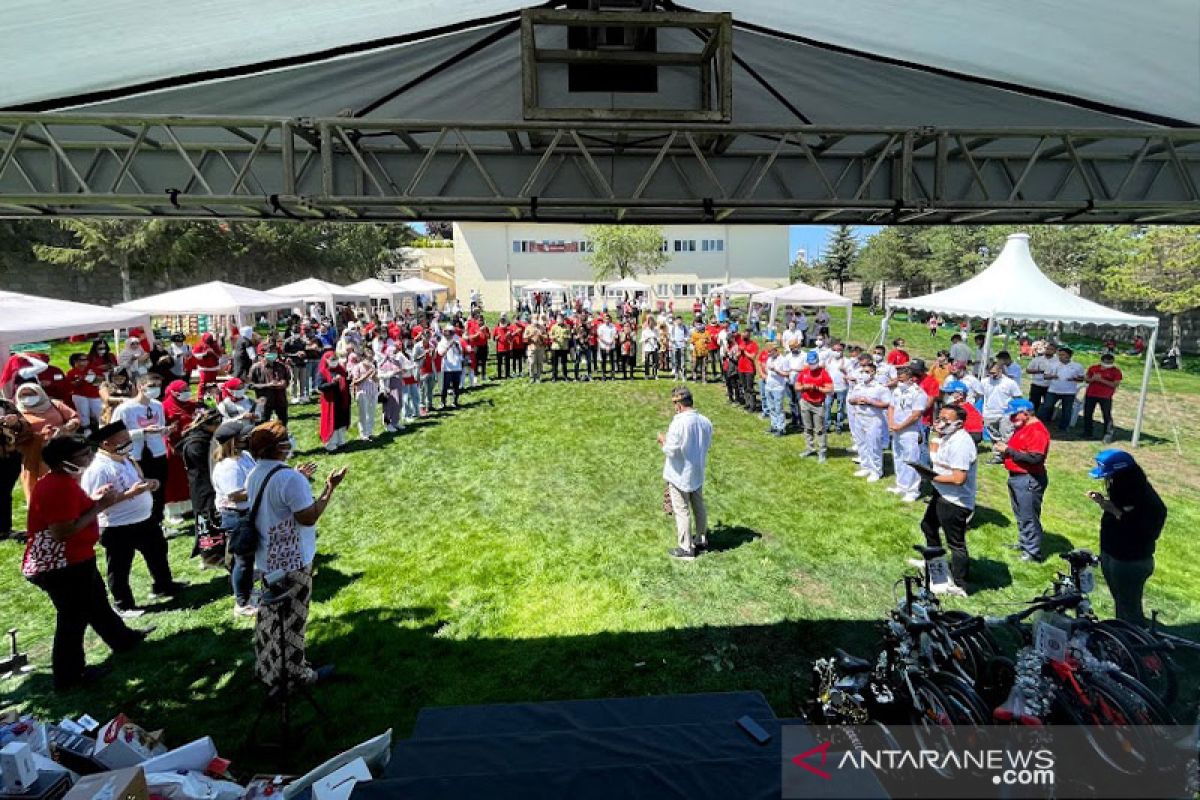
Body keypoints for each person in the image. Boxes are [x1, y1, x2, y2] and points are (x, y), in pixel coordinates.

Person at [21, 434, 148, 690]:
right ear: (64, 462)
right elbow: (62, 531)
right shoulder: (58, 487)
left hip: (76, 560)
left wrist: (94, 501)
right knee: (73, 619)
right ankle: (69, 677)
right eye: (83, 456)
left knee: (96, 602)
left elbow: (76, 511)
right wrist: (99, 506)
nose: (90, 458)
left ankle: (123, 640)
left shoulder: (65, 481)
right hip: (61, 566)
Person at [246, 421, 346, 687]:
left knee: (269, 618)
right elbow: (308, 517)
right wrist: (329, 489)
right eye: (286, 439)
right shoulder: (289, 478)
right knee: (293, 620)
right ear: (278, 447)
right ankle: (296, 674)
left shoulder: (255, 473)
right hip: (293, 561)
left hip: (267, 558)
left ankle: (267, 667)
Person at [82, 421, 181, 615]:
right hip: (117, 526)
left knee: (157, 553)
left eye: (128, 438)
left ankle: (164, 585)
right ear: (106, 444)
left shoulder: (124, 458)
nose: (128, 443)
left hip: (144, 519)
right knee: (119, 567)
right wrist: (129, 494)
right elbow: (94, 504)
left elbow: (136, 481)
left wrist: (148, 484)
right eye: (123, 440)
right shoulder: (98, 469)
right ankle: (123, 604)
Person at [1087, 450, 1167, 626]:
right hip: (1112, 554)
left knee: (1130, 610)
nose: (1106, 481)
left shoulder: (1144, 500)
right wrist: (1104, 503)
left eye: (1109, 476)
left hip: (1129, 561)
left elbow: (1141, 530)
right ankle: (1123, 635)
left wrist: (1115, 511)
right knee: (1121, 604)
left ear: (1123, 474)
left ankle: (1135, 644)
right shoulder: (1122, 489)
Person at [922, 405, 977, 594]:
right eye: (940, 417)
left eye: (946, 419)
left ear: (959, 424)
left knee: (956, 542)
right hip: (942, 492)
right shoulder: (947, 437)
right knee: (928, 526)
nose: (940, 421)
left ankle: (960, 584)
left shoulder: (961, 443)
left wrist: (932, 477)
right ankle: (936, 565)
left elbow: (959, 479)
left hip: (955, 500)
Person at [658, 387, 713, 561]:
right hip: (697, 471)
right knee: (698, 506)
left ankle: (686, 548)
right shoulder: (705, 421)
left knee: (682, 510)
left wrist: (663, 441)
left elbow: (671, 450)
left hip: (679, 473)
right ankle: (701, 540)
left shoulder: (679, 422)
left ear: (679, 405)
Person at [993, 398, 1050, 562]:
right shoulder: (1024, 427)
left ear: (1026, 413)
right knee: (1021, 514)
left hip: (1028, 479)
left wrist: (1008, 451)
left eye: (1013, 416)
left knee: (1029, 516)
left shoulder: (1037, 431)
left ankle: (1032, 553)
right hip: (1018, 477)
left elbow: (1035, 458)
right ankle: (1025, 543)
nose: (1011, 419)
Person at [211, 421, 256, 616]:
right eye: (242, 436)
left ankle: (248, 591)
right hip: (236, 516)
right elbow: (236, 495)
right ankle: (242, 602)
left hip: (247, 513)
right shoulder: (228, 467)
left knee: (248, 558)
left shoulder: (244, 456)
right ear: (233, 441)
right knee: (243, 561)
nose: (247, 439)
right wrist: (262, 488)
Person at [15, 382, 80, 501]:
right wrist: (40, 435)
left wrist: (66, 427)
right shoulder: (17, 413)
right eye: (23, 395)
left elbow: (74, 417)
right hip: (35, 453)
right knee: (40, 484)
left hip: (62, 447)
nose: (27, 398)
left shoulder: (54, 404)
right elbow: (17, 435)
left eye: (31, 394)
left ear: (39, 393)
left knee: (68, 478)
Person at [178, 408, 223, 565]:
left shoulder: (207, 437)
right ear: (209, 425)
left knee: (215, 520)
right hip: (203, 487)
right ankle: (209, 555)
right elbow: (206, 465)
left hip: (209, 484)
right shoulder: (196, 443)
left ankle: (217, 552)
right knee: (207, 520)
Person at [887, 365, 927, 502]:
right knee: (898, 457)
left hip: (910, 431)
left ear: (911, 379)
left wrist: (900, 426)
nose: (899, 382)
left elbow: (916, 415)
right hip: (897, 430)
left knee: (911, 460)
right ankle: (901, 485)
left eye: (902, 380)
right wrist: (892, 423)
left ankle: (912, 490)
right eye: (899, 379)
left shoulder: (918, 393)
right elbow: (891, 407)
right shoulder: (898, 390)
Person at [847, 361, 890, 481]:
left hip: (873, 419)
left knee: (873, 445)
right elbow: (850, 400)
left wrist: (871, 402)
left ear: (873, 373)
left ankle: (876, 470)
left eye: (866, 372)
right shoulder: (859, 386)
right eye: (862, 372)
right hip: (859, 417)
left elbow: (887, 403)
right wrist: (856, 401)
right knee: (861, 444)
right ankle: (865, 466)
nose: (863, 374)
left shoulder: (880, 388)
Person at [796, 351, 833, 461]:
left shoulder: (823, 373)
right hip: (805, 402)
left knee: (819, 429)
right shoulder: (804, 371)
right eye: (810, 363)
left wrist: (817, 388)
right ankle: (810, 448)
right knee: (807, 428)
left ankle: (822, 451)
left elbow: (830, 389)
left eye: (814, 363)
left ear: (817, 361)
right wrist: (804, 387)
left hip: (818, 404)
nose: (812, 365)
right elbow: (797, 386)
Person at [1038, 346, 1084, 432]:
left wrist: (1074, 379)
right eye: (1059, 355)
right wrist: (1052, 376)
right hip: (1053, 390)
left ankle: (1064, 427)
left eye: (1063, 355)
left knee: (1067, 410)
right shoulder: (1053, 364)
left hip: (1069, 392)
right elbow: (1045, 376)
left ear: (1069, 356)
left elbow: (1081, 378)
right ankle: (1040, 423)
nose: (1060, 357)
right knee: (1047, 406)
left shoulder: (1077, 366)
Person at [981, 361, 1022, 455]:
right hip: (989, 413)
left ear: (1000, 370)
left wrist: (1016, 412)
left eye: (994, 373)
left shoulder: (1010, 383)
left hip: (1006, 414)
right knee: (994, 436)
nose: (992, 375)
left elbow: (1018, 398)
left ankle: (1006, 454)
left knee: (1006, 436)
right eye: (989, 373)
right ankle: (998, 455)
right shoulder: (984, 382)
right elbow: (981, 396)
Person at [1083, 352, 1123, 442]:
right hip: (1091, 394)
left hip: (1105, 396)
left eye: (1110, 362)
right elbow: (1086, 379)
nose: (1108, 364)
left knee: (1106, 415)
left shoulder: (1116, 371)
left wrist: (1101, 380)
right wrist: (1093, 379)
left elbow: (1114, 384)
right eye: (1106, 362)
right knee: (1088, 413)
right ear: (1102, 361)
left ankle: (1108, 434)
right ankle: (1087, 432)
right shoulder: (1093, 368)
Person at [247, 344, 291, 425]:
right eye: (270, 352)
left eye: (275, 352)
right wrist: (268, 385)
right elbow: (250, 385)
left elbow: (287, 380)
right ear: (264, 353)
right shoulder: (256, 368)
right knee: (263, 424)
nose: (273, 354)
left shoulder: (281, 366)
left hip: (280, 400)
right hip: (265, 402)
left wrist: (284, 383)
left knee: (283, 424)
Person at [317, 351, 351, 452]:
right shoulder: (322, 372)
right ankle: (331, 443)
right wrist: (332, 383)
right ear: (326, 360)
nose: (334, 361)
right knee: (332, 421)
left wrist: (348, 379)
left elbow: (345, 381)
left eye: (335, 359)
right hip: (330, 401)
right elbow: (320, 386)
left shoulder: (341, 369)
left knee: (341, 421)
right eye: (332, 360)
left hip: (341, 400)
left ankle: (341, 441)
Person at [66, 353, 105, 436]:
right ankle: (86, 429)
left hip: (94, 395)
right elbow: (71, 385)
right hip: (80, 396)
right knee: (83, 413)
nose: (85, 362)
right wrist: (80, 380)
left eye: (86, 359)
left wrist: (94, 377)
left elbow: (101, 379)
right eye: (82, 360)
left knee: (99, 412)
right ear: (75, 361)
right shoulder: (71, 372)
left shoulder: (92, 369)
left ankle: (103, 427)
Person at [760, 343, 789, 436]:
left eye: (770, 352)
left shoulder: (783, 360)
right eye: (768, 352)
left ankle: (781, 428)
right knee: (771, 407)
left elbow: (786, 374)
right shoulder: (769, 359)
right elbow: (768, 371)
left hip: (778, 387)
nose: (768, 354)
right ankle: (774, 425)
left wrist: (776, 370)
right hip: (769, 386)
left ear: (776, 350)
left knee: (778, 408)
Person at [1025, 342, 1057, 413]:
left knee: (1049, 405)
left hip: (1050, 386)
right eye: (1047, 349)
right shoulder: (1037, 359)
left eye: (1051, 349)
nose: (1048, 350)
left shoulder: (1057, 361)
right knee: (1033, 403)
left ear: (1055, 351)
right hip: (1036, 384)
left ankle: (1046, 420)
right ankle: (1031, 418)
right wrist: (1039, 371)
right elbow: (1028, 370)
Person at [549, 316, 571, 382]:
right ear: (556, 320)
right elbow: (550, 335)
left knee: (564, 363)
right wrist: (554, 337)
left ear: (563, 319)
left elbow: (570, 336)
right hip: (555, 347)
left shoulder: (567, 326)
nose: (560, 320)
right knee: (554, 364)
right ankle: (554, 377)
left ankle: (565, 376)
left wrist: (566, 336)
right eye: (559, 319)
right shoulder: (553, 327)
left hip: (564, 347)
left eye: (561, 319)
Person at [596, 315, 617, 381]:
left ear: (610, 319)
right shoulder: (601, 327)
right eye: (606, 319)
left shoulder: (613, 326)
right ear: (604, 319)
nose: (607, 320)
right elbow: (600, 337)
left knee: (612, 361)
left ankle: (612, 375)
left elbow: (614, 336)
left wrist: (610, 344)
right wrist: (607, 344)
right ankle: (604, 375)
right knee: (603, 361)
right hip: (603, 346)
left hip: (611, 346)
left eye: (608, 319)